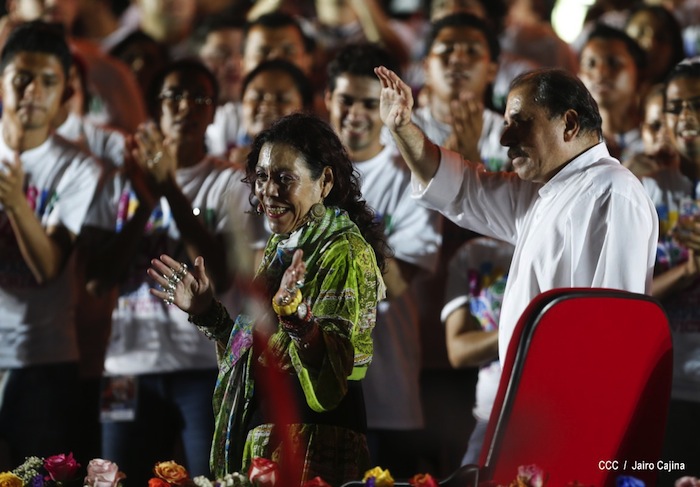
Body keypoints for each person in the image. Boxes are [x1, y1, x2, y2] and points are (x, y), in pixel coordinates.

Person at [147, 112, 388, 486]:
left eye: (285, 178)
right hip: (263, 438)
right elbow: (256, 358)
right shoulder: (281, 248)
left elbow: (332, 376)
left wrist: (296, 316)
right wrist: (207, 312)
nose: (269, 191)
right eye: (262, 177)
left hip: (312, 444)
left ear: (324, 181)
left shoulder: (344, 251)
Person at [374, 65, 658, 363]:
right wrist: (402, 127)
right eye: (506, 123)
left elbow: (611, 330)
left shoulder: (610, 192)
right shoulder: (543, 192)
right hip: (532, 385)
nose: (505, 138)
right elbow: (456, 186)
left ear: (569, 124)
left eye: (520, 122)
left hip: (570, 388)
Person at [79, 59, 255, 486]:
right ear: (155, 107)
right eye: (173, 96)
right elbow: (97, 280)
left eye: (199, 98)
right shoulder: (117, 183)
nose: (185, 107)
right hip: (126, 367)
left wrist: (170, 191)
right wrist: (145, 199)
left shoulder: (230, 183)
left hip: (205, 366)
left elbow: (221, 276)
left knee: (212, 479)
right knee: (116, 479)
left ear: (213, 114)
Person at [324, 43, 442, 476]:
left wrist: (341, 210)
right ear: (327, 99)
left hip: (386, 391)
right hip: (315, 390)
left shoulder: (410, 175)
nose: (355, 113)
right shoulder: (298, 172)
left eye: (368, 103)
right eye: (346, 100)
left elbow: (396, 282)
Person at [0, 20, 102, 466]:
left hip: (45, 357)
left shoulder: (79, 167)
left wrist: (15, 203)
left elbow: (47, 267)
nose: (32, 92)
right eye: (21, 78)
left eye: (47, 81)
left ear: (65, 93)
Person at [651, 59, 700, 483]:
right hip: (664, 388)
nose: (686, 116)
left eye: (698, 105)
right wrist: (688, 272)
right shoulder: (645, 189)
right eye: (676, 106)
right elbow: (623, 295)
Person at [442, 235, 513, 466]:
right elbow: (459, 351)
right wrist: (523, 328)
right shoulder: (473, 253)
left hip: (550, 411)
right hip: (490, 413)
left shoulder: (557, 236)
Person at [413, 12, 509, 171]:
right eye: (447, 49)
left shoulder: (509, 136)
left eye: (472, 51)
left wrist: (471, 155)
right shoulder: (401, 131)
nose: (457, 59)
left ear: (492, 71)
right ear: (426, 67)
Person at [578, 23, 647, 162]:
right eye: (590, 64)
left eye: (613, 63)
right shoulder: (573, 146)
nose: (600, 73)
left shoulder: (655, 141)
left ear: (639, 73)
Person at [232, 59, 314, 166]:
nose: (267, 106)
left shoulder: (316, 162)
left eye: (281, 99)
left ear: (305, 108)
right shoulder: (222, 158)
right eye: (258, 97)